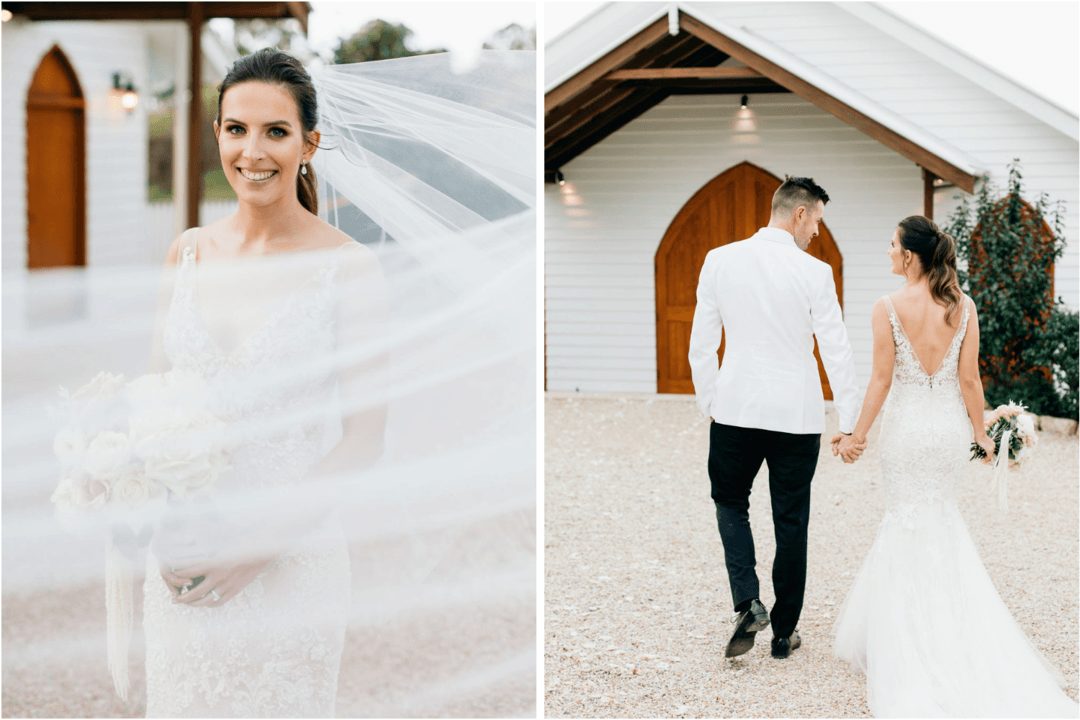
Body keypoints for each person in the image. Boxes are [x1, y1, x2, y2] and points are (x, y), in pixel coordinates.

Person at [143, 49, 386, 717]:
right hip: (184, 556)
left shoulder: (348, 268)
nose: (253, 151)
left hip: (291, 561)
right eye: (236, 129)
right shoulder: (186, 252)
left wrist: (256, 548)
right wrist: (160, 524)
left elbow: (364, 440)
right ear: (218, 133)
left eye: (275, 131)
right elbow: (153, 409)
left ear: (309, 143)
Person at [831, 215, 1079, 716]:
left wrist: (859, 435)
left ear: (909, 255)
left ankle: (903, 641)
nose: (887, 252)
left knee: (903, 520)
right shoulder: (962, 306)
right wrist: (981, 435)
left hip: (904, 434)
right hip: (944, 433)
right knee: (940, 519)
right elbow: (970, 381)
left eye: (891, 244)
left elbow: (881, 379)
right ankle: (948, 628)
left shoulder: (886, 307)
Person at [688, 176, 863, 660]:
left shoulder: (719, 260)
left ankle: (747, 601)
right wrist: (848, 419)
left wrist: (710, 401)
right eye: (818, 222)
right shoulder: (815, 273)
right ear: (800, 213)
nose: (817, 234)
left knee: (729, 500)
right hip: (796, 413)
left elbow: (702, 341)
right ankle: (784, 633)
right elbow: (836, 348)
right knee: (791, 519)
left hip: (736, 408)